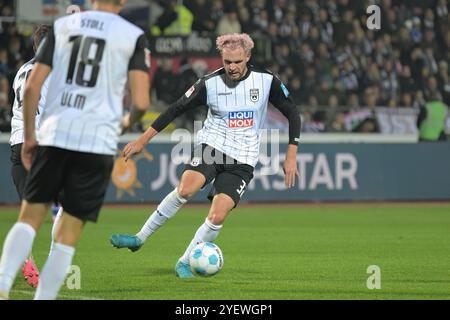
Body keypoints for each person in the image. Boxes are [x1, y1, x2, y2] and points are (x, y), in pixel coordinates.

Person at [110, 33, 301, 278]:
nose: (232, 67)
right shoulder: (209, 83)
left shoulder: (266, 81)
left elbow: (292, 113)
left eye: (237, 62)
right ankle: (139, 238)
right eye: (227, 62)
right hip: (212, 146)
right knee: (186, 189)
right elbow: (175, 109)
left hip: (243, 159)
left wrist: (291, 154)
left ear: (248, 57)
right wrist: (142, 140)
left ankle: (185, 261)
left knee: (218, 215)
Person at [0, 0, 150, 300]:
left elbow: (31, 90)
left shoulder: (61, 27)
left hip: (56, 134)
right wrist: (122, 124)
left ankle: (2, 285)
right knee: (67, 235)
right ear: (121, 1)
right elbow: (141, 104)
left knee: (29, 218)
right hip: (95, 140)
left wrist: (30, 138)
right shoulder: (133, 35)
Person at [8, 24, 64, 290]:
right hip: (38, 143)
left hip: (17, 145)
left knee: (28, 215)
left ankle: (26, 261)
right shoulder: (50, 71)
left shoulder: (21, 70)